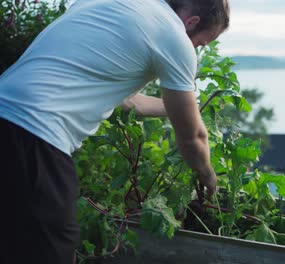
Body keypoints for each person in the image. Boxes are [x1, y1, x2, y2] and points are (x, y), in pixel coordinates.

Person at [0, 0, 230, 263]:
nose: (196, 50)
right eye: (200, 44)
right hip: (34, 135)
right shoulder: (173, 34)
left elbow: (129, 101)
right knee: (51, 251)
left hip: (6, 115)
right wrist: (209, 177)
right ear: (192, 23)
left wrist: (190, 109)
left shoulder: (112, 5)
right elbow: (193, 139)